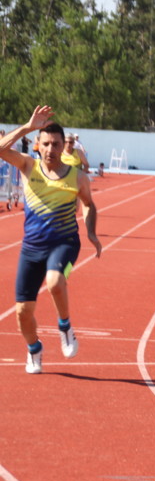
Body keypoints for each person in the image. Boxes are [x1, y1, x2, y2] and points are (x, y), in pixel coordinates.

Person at [0, 105, 102, 374]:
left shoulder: (78, 177)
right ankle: (34, 349)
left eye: (56, 144)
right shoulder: (27, 166)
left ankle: (65, 327)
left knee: (56, 281)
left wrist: (91, 232)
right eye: (45, 144)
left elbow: (89, 204)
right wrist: (27, 126)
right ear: (37, 145)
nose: (51, 149)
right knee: (22, 311)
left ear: (62, 146)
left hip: (66, 244)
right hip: (31, 249)